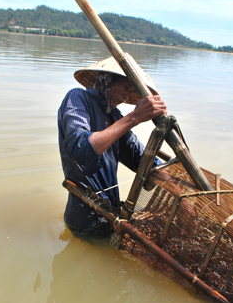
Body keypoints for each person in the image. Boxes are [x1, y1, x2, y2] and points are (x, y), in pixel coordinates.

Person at [58, 54, 167, 236]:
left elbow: (141, 159)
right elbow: (81, 149)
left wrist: (173, 182)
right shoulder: (77, 98)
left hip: (111, 215)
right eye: (125, 87)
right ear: (107, 80)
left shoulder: (115, 116)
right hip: (84, 220)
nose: (126, 96)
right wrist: (134, 117)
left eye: (131, 90)